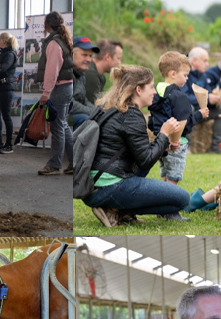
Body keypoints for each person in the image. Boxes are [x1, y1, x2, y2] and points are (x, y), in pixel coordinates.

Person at [80, 65, 190, 227]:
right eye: (151, 87)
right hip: (109, 188)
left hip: (93, 186)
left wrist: (164, 146)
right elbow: (145, 160)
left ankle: (120, 210)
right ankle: (116, 208)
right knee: (183, 199)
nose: (154, 92)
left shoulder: (107, 108)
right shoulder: (131, 115)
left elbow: (139, 151)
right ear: (138, 90)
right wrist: (164, 134)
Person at [147, 51, 209, 221]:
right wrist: (199, 115)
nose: (187, 78)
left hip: (160, 141)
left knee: (164, 176)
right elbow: (183, 123)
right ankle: (170, 211)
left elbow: (153, 119)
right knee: (173, 178)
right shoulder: (179, 96)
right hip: (176, 142)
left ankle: (161, 208)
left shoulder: (156, 91)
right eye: (185, 75)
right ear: (173, 74)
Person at [36, 11, 74, 176]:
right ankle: (74, 162)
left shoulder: (53, 44)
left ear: (47, 25)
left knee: (57, 127)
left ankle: (54, 165)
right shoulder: (63, 40)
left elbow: (52, 71)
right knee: (63, 126)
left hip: (59, 89)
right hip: (67, 87)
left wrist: (45, 94)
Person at [184, 47, 221, 154]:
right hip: (191, 112)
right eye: (205, 61)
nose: (207, 64)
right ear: (194, 60)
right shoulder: (184, 74)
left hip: (202, 112)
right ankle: (186, 147)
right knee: (188, 107)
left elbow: (207, 94)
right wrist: (208, 98)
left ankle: (216, 148)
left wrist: (215, 100)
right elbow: (183, 97)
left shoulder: (203, 75)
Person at [72, 36, 100, 131]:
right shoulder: (65, 73)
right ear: (72, 54)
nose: (88, 60)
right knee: (84, 119)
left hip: (74, 115)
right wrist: (93, 112)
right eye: (84, 55)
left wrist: (100, 112)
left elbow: (84, 100)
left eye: (90, 56)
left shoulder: (81, 74)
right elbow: (69, 104)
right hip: (59, 118)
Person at [84, 39, 123, 104]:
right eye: (118, 58)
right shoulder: (91, 75)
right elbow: (94, 109)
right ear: (107, 57)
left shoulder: (99, 75)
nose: (119, 62)